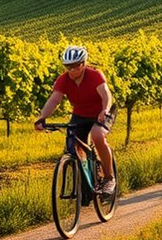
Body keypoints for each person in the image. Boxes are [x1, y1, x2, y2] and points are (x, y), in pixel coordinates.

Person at [34, 45, 116, 197]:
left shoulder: (95, 75)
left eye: (75, 66)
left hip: (102, 112)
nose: (71, 70)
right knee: (73, 145)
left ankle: (109, 178)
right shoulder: (63, 80)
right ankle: (85, 185)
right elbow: (54, 100)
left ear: (83, 64)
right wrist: (41, 117)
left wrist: (104, 109)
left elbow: (106, 95)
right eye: (68, 67)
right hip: (80, 114)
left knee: (98, 136)